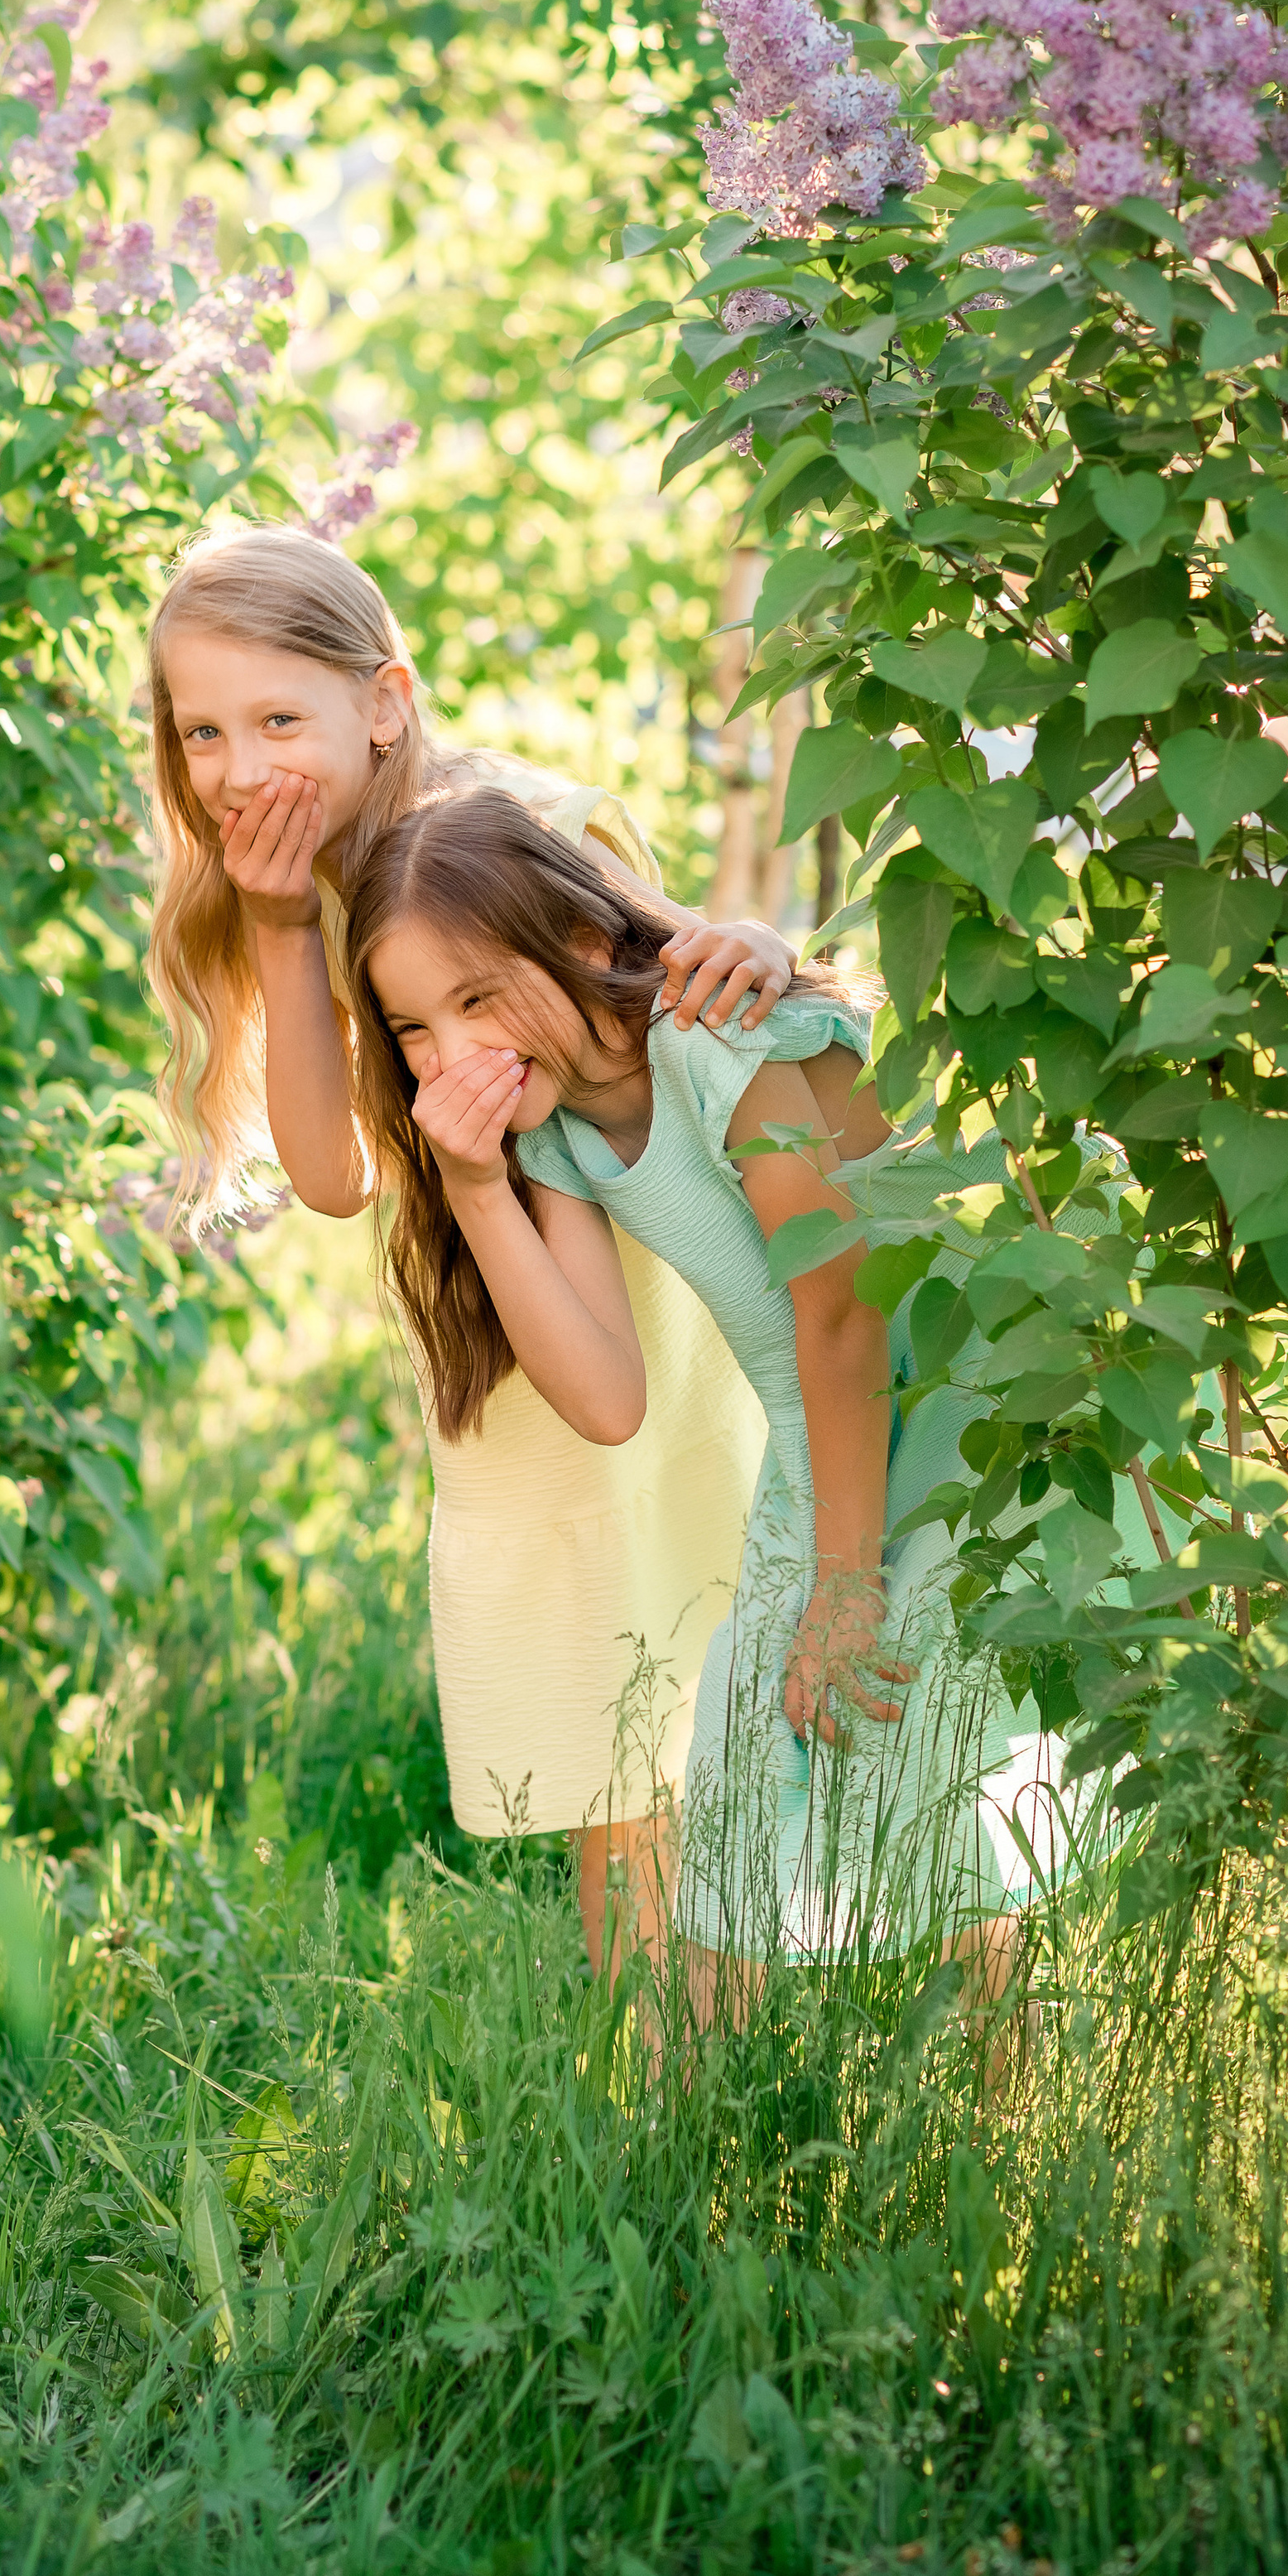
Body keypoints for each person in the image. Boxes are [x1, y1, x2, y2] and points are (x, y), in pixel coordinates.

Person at [146, 523, 801, 1973]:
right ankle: (671, 2084)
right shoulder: (302, 895)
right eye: (203, 732)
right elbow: (327, 1175)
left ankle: (789, 2041)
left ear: (383, 700)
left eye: (275, 719)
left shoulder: (520, 828)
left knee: (728, 1685)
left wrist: (750, 938)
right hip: (514, 1319)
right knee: (613, 1756)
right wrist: (272, 928)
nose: (242, 770)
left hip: (660, 1301)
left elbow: (676, 968)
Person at [342, 782, 1081, 2020]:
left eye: (477, 996)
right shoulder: (558, 1137)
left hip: (960, 1407)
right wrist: (475, 1184)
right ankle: (702, 2159)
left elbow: (842, 1311)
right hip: (830, 1436)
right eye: (413, 1026)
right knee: (736, 1824)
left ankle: (1008, 2117)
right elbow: (606, 1396)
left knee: (944, 1787)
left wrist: (844, 1580)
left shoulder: (706, 1038)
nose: (453, 1052)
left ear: (583, 942)